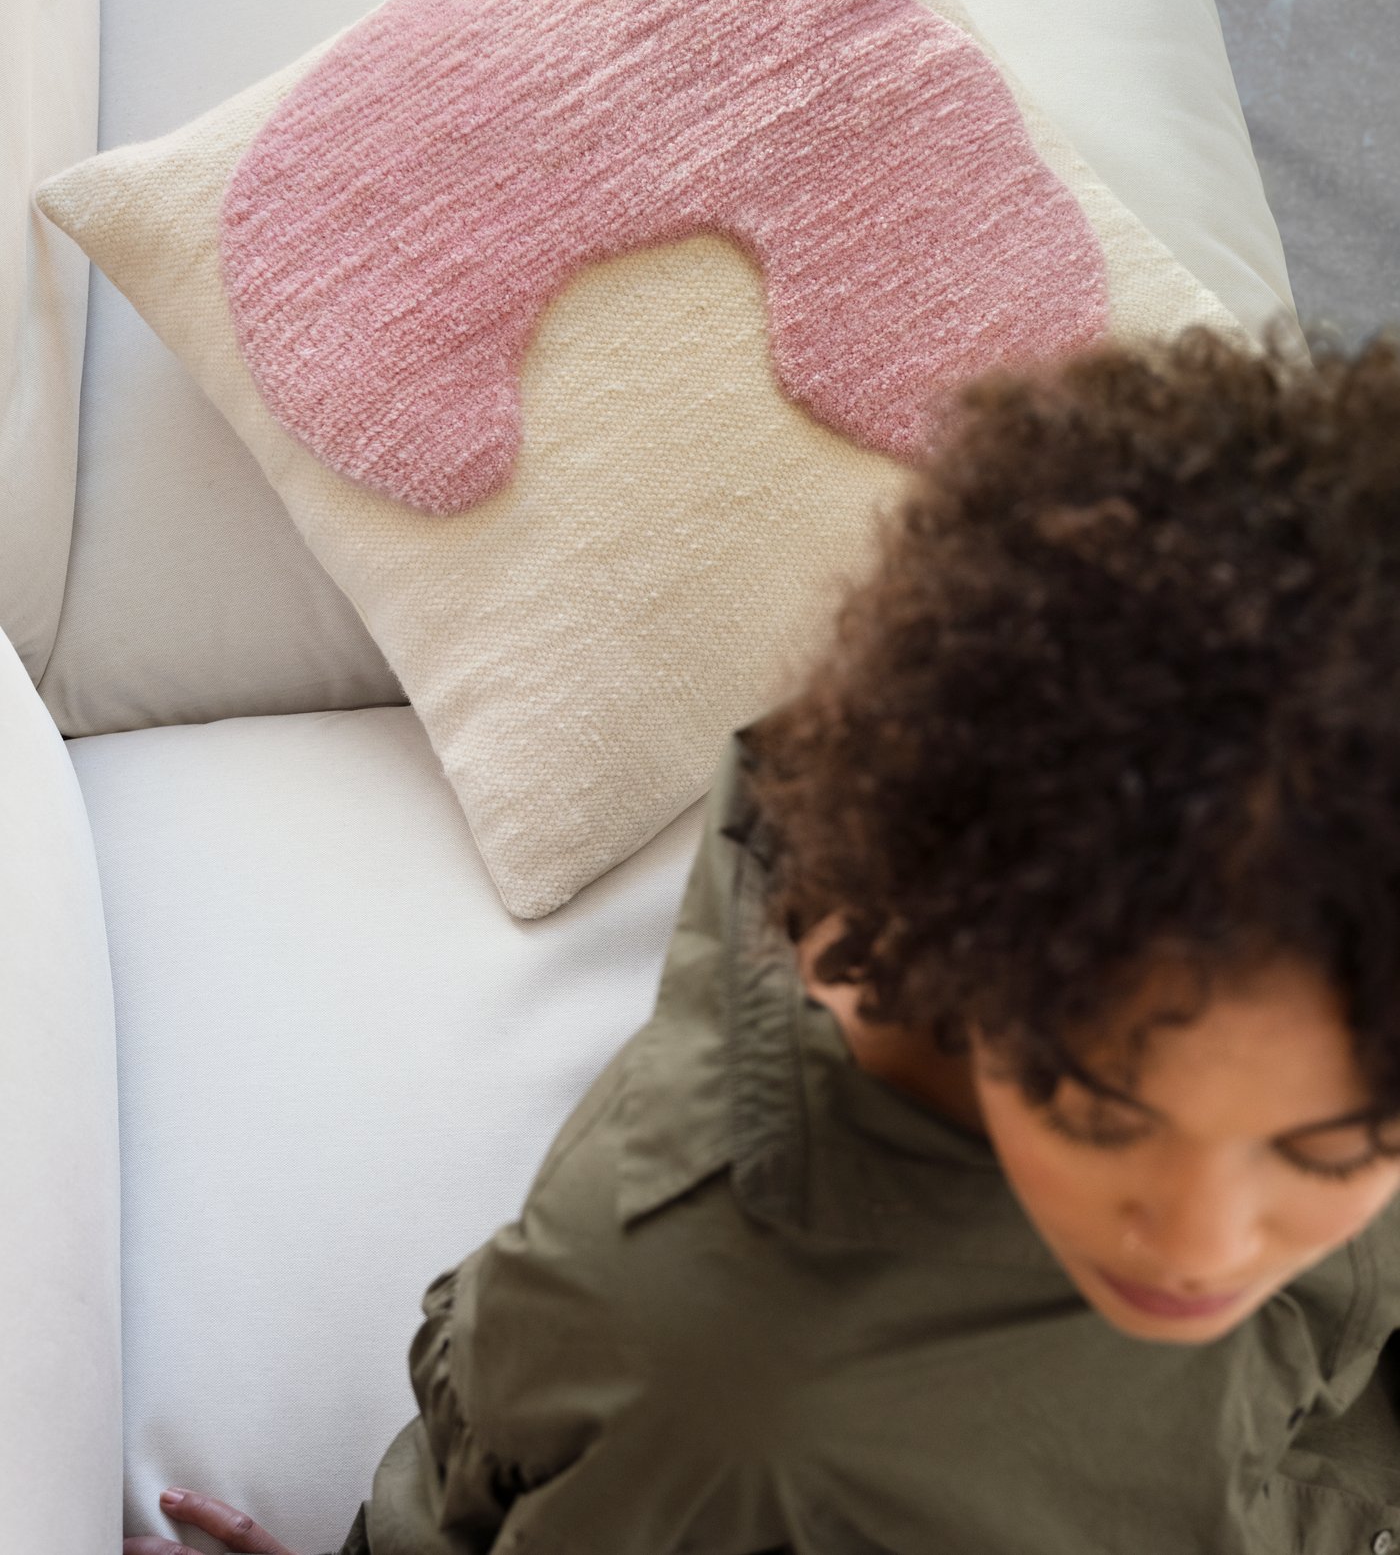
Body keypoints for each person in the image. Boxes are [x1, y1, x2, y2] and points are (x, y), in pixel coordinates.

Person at [126, 319, 1400, 1555]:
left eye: (1337, 1144)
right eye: (1103, 1114)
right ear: (971, 931)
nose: (1200, 1246)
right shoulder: (740, 1411)